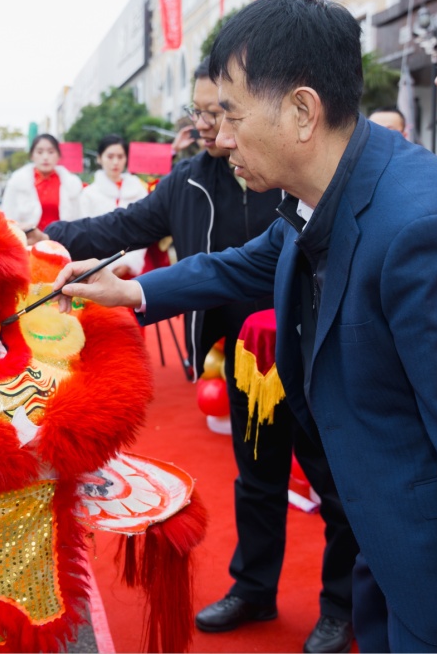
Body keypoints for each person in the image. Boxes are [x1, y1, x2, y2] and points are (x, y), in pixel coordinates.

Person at [53, 0, 437, 653]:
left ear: (302, 111)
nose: (219, 138)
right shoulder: (334, 183)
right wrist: (130, 291)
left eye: (231, 114)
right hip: (394, 534)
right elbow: (248, 262)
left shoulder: (427, 232)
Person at [37, 60, 358, 653]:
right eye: (202, 113)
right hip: (245, 359)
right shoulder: (188, 181)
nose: (213, 127)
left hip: (311, 352)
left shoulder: (293, 174)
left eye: (224, 112)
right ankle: (254, 587)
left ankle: (343, 605)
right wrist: (45, 238)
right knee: (257, 476)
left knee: (334, 484)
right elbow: (125, 229)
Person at [75, 135, 147, 278]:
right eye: (110, 156)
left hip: (135, 267)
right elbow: (85, 234)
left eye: (120, 156)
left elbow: (145, 228)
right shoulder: (88, 194)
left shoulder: (138, 190)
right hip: (99, 268)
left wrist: (129, 263)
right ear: (99, 158)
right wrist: (104, 266)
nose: (115, 162)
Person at [0, 134, 83, 234]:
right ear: (32, 155)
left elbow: (79, 219)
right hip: (27, 240)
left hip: (62, 241)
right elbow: (7, 216)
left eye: (51, 152)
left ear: (59, 155)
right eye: (39, 152)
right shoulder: (17, 182)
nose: (45, 157)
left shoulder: (72, 184)